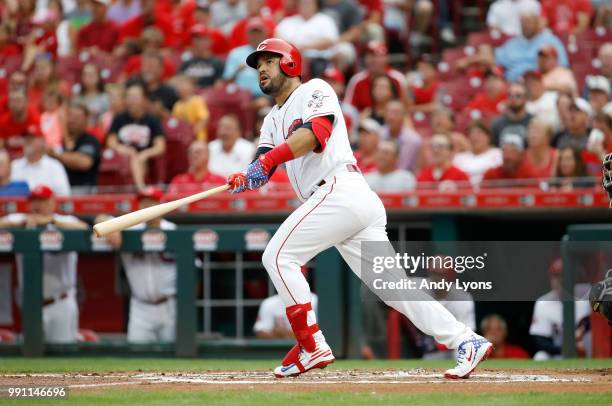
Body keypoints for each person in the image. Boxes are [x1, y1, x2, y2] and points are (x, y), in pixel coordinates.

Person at [227, 38, 492, 379]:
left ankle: (311, 344)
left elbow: (314, 134)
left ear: (290, 63)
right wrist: (245, 177)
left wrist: (266, 161)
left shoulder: (315, 90)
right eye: (257, 63)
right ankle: (465, 340)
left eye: (268, 60)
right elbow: (262, 165)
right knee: (393, 288)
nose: (261, 68)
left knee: (277, 256)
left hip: (340, 190)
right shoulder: (271, 120)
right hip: (342, 202)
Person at [0, 185, 88, 343]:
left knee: (64, 355)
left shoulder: (65, 220)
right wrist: (19, 224)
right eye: (34, 201)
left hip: (61, 302)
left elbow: (86, 229)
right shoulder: (20, 219)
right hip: (31, 303)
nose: (38, 205)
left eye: (43, 200)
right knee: (30, 354)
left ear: (53, 202)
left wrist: (53, 221)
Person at [98, 187, 178, 343]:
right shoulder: (128, 229)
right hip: (140, 307)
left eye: (152, 202)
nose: (147, 207)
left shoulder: (173, 231)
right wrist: (111, 228)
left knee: (174, 360)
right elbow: (100, 218)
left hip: (169, 304)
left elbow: (193, 271)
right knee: (136, 357)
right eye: (143, 202)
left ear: (161, 204)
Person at [460, 2, 568, 82]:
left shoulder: (549, 40)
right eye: (524, 23)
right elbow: (493, 58)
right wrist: (468, 61)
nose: (527, 26)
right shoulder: (514, 43)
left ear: (537, 23)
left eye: (530, 23)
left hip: (538, 82)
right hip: (513, 85)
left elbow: (562, 65)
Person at [106, 84, 166, 191]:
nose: (131, 101)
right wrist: (123, 149)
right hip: (123, 156)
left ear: (144, 100)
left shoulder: (152, 120)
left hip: (145, 160)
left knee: (137, 159)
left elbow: (160, 146)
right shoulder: (119, 118)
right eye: (128, 97)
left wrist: (146, 153)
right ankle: (140, 189)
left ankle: (140, 188)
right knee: (132, 158)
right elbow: (111, 141)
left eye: (135, 97)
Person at [530, 259, 591, 360]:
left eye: (563, 276)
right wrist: (566, 349)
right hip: (558, 353)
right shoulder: (543, 303)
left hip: (585, 351)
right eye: (555, 276)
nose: (559, 280)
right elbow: (540, 340)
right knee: (540, 357)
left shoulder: (587, 295)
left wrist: (584, 327)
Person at [275, 0, 339, 75]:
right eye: (302, 3)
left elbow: (329, 41)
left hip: (316, 60)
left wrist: (303, 47)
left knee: (318, 67)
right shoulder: (288, 21)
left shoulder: (325, 20)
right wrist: (292, 48)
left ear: (315, 5)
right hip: (290, 58)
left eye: (308, 3)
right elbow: (277, 37)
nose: (305, 6)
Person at [47, 104, 101, 188]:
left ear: (86, 120)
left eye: (77, 117)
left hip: (83, 190)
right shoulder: (57, 139)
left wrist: (56, 155)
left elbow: (84, 162)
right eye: (70, 116)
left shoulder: (90, 141)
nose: (72, 120)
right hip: (58, 190)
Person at [344, 41, 406, 112]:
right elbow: (348, 109)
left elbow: (406, 106)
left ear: (385, 58)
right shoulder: (357, 80)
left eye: (375, 56)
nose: (372, 60)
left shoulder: (398, 78)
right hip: (364, 120)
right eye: (369, 56)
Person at [10, 132, 71, 196]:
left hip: (47, 204)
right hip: (20, 205)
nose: (27, 141)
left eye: (32, 139)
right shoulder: (14, 166)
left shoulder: (54, 166)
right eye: (25, 139)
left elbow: (64, 195)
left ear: (43, 142)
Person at [223, 17, 270, 98]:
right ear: (247, 35)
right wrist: (237, 71)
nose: (255, 36)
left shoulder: (271, 54)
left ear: (264, 34)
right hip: (239, 96)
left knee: (263, 106)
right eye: (252, 33)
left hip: (263, 95)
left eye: (258, 33)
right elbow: (226, 81)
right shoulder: (236, 53)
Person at [127, 51, 178, 118]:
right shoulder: (132, 85)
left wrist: (161, 111)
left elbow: (175, 121)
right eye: (145, 66)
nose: (148, 69)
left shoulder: (169, 92)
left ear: (161, 69)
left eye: (152, 66)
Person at [453, 121, 502, 187]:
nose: (475, 137)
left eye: (479, 133)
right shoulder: (459, 158)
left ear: (488, 137)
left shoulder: (498, 154)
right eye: (471, 133)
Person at [380, 100, 422, 172]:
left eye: (395, 113)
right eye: (388, 112)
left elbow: (407, 168)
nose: (391, 117)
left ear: (404, 116)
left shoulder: (413, 140)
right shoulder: (378, 134)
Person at [0, 89, 41, 156]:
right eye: (12, 101)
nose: (14, 104)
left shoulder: (34, 117)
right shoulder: (3, 121)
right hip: (10, 158)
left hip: (30, 156)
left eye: (18, 101)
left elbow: (38, 143)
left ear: (26, 102)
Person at [491, 82, 533, 146]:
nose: (513, 98)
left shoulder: (533, 123)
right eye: (510, 95)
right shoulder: (497, 124)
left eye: (518, 96)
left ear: (526, 98)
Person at [171, 76, 210, 141]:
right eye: (178, 85)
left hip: (197, 138)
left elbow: (204, 119)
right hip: (182, 139)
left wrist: (191, 133)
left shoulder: (197, 100)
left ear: (192, 86)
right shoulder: (177, 105)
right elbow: (176, 123)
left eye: (183, 84)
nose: (180, 87)